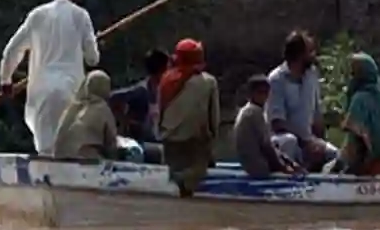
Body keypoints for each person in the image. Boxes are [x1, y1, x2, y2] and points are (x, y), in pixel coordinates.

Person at [0, 0, 100, 156]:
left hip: (41, 90)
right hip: (71, 90)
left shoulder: (37, 15)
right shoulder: (81, 16)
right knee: (69, 149)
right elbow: (93, 59)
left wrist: (6, 81)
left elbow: (12, 50)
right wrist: (94, 43)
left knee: (45, 150)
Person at [267, 30, 338, 172]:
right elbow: (277, 123)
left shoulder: (312, 75)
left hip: (308, 142)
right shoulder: (276, 80)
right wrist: (305, 141)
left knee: (335, 156)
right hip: (283, 142)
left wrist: (319, 142)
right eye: (310, 52)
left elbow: (317, 115)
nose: (314, 55)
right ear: (299, 55)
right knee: (289, 142)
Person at [159, 39, 220, 197]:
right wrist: (212, 139)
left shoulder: (166, 79)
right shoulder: (208, 82)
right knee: (195, 176)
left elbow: (160, 110)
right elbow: (213, 117)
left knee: (175, 188)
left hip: (169, 140)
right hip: (195, 141)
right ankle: (182, 181)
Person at [334, 53, 380, 176]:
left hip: (368, 167)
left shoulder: (360, 99)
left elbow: (357, 141)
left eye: (353, 73)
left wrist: (338, 167)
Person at [233, 75, 299, 178]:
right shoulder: (253, 112)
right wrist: (283, 167)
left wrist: (289, 161)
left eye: (266, 93)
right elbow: (266, 146)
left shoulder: (252, 110)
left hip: (255, 162)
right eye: (259, 92)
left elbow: (268, 143)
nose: (263, 96)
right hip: (258, 166)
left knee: (284, 142)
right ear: (250, 94)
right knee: (288, 141)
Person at [52, 70, 117, 161]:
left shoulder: (71, 108)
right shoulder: (102, 108)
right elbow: (111, 145)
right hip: (86, 163)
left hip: (59, 161)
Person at [111, 48, 168, 142]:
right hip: (143, 142)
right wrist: (123, 121)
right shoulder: (141, 91)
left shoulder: (166, 88)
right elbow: (113, 97)